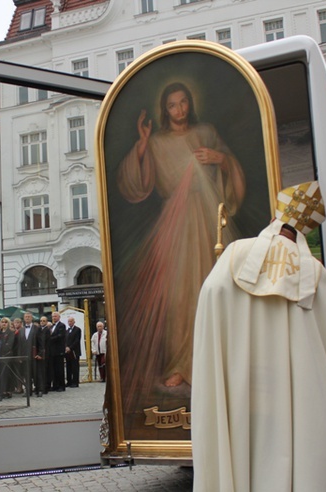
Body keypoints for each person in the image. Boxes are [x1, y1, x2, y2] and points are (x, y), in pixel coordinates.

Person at [191, 182, 326, 491]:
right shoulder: (315, 274)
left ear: (273, 221)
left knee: (246, 461)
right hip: (297, 398)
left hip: (244, 395)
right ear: (302, 233)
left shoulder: (233, 256)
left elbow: (212, 302)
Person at [115, 82, 246, 413]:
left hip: (208, 219)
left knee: (212, 284)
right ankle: (178, 365)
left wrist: (221, 159)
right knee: (177, 295)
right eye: (172, 105)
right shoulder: (157, 142)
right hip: (173, 225)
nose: (179, 109)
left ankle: (217, 361)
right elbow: (136, 185)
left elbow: (231, 168)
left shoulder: (206, 131)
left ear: (190, 103)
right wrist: (143, 145)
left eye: (183, 102)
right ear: (165, 110)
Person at [17, 312, 39, 398]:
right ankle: (28, 390)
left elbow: (39, 342)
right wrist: (19, 356)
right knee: (26, 374)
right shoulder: (21, 330)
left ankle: (38, 389)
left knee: (36, 373)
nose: (27, 318)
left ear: (32, 318)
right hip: (24, 355)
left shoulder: (36, 328)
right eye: (26, 317)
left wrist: (39, 353)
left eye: (29, 317)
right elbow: (19, 344)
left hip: (34, 354)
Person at [0, 317, 17, 401]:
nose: (4, 323)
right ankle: (1, 391)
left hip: (6, 356)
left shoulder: (11, 333)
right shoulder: (0, 333)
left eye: (5, 322)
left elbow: (10, 345)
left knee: (5, 374)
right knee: (0, 374)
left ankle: (5, 391)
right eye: (2, 322)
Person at [48, 312, 66, 392]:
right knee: (54, 369)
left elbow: (60, 336)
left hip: (59, 351)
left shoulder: (62, 326)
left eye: (55, 316)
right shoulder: (52, 326)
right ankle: (55, 385)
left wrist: (50, 339)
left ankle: (62, 385)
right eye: (53, 316)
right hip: (52, 351)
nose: (54, 318)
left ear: (59, 317)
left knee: (60, 369)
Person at [65, 316, 81, 388]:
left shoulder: (77, 329)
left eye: (71, 321)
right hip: (68, 352)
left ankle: (75, 382)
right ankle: (69, 381)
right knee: (68, 367)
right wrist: (66, 347)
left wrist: (70, 348)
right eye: (68, 321)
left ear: (74, 322)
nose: (70, 323)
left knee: (75, 367)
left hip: (74, 351)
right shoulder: (67, 330)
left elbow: (77, 341)